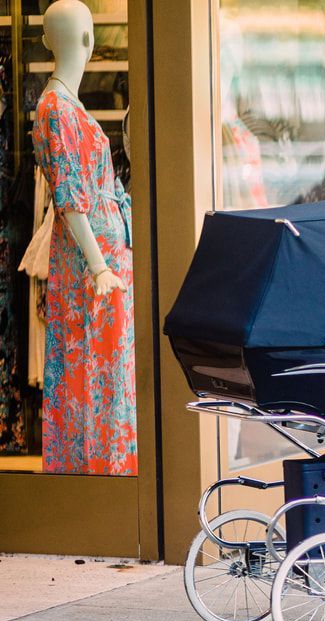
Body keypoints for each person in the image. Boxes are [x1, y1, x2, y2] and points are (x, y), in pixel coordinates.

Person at [32, 0, 136, 475]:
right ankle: (94, 475)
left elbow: (101, 188)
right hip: (91, 267)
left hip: (110, 261)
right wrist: (98, 266)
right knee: (89, 370)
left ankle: (111, 468)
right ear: (89, 41)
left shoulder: (71, 107)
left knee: (109, 374)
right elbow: (70, 196)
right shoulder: (53, 109)